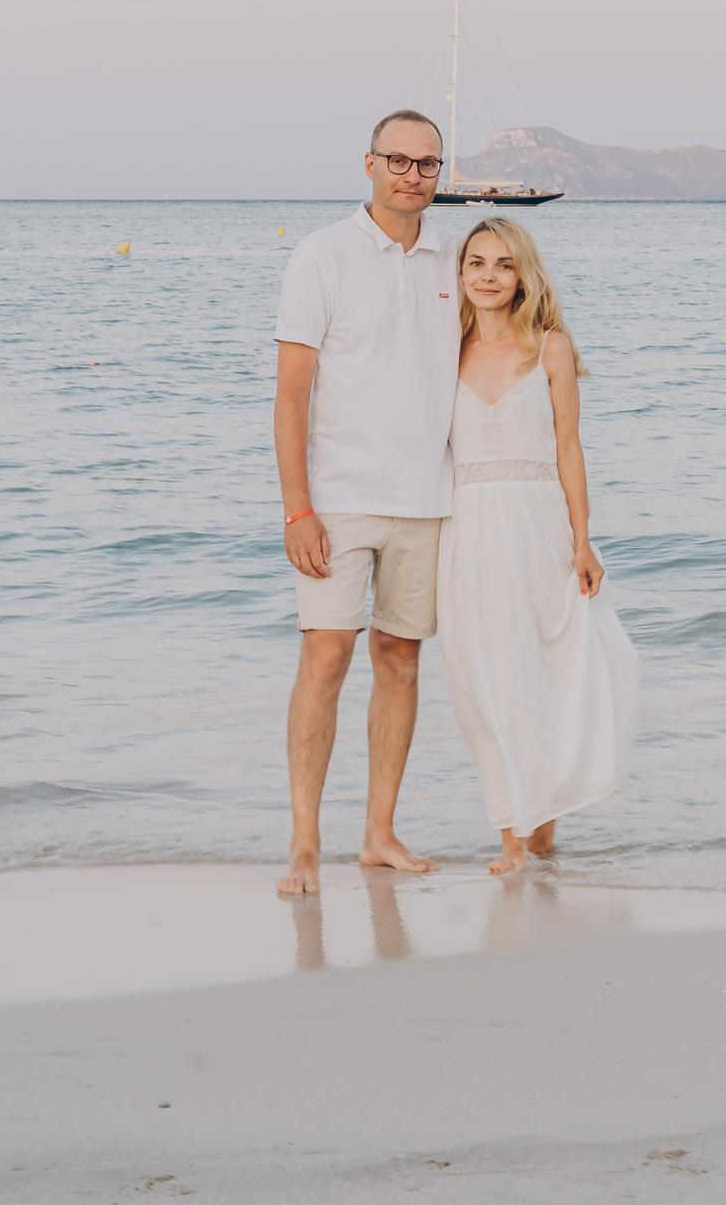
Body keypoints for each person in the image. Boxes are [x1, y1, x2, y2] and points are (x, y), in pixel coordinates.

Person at [271, 110, 460, 897]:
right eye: (398, 160)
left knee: (402, 659)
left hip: (429, 498)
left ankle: (379, 832)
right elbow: (291, 395)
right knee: (325, 655)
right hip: (341, 499)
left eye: (427, 164)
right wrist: (297, 508)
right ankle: (305, 842)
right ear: (369, 164)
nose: (412, 175)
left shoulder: (456, 257)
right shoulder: (322, 255)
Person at [437, 216, 638, 875]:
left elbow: (568, 447)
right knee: (478, 677)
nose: (488, 275)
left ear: (524, 273)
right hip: (465, 526)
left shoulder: (549, 347)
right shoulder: (444, 348)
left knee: (539, 673)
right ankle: (511, 828)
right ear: (460, 273)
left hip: (537, 523)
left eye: (503, 263)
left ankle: (537, 825)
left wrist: (583, 541)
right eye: (476, 263)